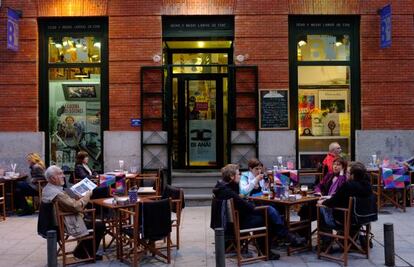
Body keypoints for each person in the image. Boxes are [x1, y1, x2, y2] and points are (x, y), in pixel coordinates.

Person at [212, 164, 305, 260]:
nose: (240, 175)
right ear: (232, 176)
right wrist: (253, 204)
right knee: (268, 216)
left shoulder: (222, 187)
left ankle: (285, 237)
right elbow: (247, 207)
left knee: (269, 211)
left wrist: (247, 200)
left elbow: (242, 202)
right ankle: (275, 245)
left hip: (237, 218)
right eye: (238, 174)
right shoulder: (228, 191)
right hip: (238, 223)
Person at [41, 165, 104, 260]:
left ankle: (82, 251)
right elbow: (77, 206)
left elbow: (67, 198)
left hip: (61, 221)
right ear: (53, 178)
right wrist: (87, 195)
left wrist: (74, 194)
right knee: (99, 225)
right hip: (69, 223)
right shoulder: (58, 194)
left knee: (95, 201)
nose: (63, 176)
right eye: (60, 174)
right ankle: (83, 253)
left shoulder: (48, 188)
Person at [319, 161, 373, 232]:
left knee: (320, 208)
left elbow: (332, 202)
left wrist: (322, 202)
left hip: (346, 221)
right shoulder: (368, 186)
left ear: (353, 175)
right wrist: (329, 198)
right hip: (364, 219)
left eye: (347, 172)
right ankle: (352, 236)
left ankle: (326, 239)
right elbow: (340, 198)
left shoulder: (347, 186)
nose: (346, 174)